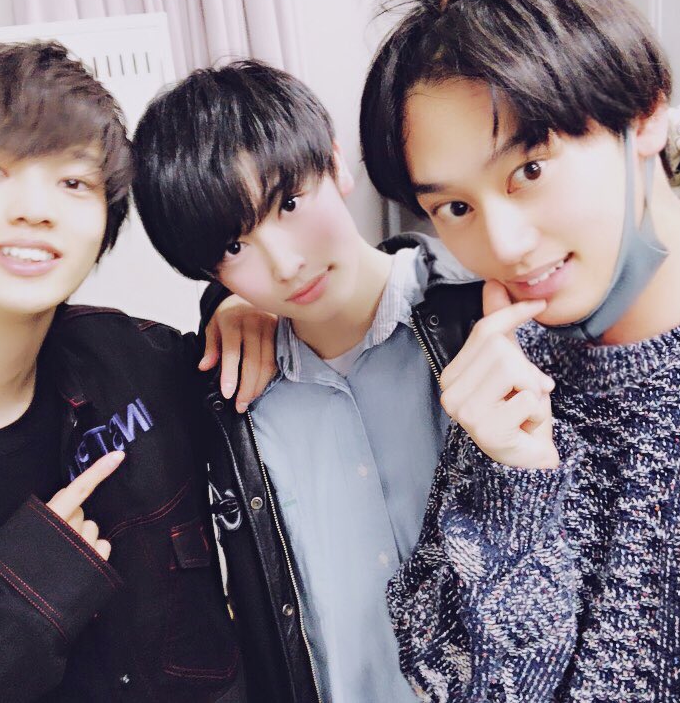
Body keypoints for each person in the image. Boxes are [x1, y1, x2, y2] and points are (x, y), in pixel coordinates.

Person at [358, 0, 680, 701]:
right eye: (455, 208)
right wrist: (517, 486)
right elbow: (455, 682)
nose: (503, 244)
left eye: (530, 170)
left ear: (645, 113)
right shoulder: (511, 370)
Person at [0, 41, 273, 702]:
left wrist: (245, 299)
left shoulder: (134, 365)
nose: (37, 208)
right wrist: (18, 606)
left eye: (74, 182)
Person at [131, 60, 483, 702]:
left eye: (289, 205)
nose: (286, 263)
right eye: (234, 248)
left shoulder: (479, 313)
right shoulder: (229, 402)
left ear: (336, 164)